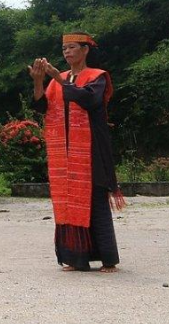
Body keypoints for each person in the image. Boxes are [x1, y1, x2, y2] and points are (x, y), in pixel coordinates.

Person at [31, 32, 125, 273]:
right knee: (67, 202)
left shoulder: (96, 77)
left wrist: (57, 78)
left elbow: (88, 99)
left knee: (95, 202)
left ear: (85, 50)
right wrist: (39, 80)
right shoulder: (59, 78)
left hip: (90, 151)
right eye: (64, 49)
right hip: (65, 152)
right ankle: (76, 258)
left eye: (72, 47)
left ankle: (108, 259)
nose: (67, 52)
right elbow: (43, 106)